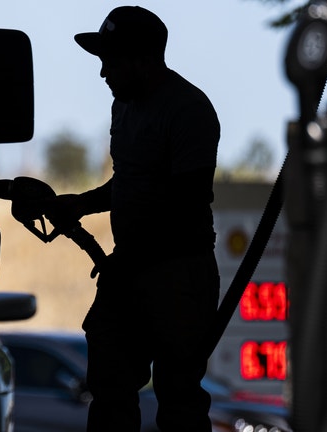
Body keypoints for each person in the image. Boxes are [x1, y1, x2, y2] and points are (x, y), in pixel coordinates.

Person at [43, 6, 221, 431]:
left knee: (178, 397)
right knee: (109, 386)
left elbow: (185, 202)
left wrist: (128, 260)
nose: (103, 73)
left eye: (112, 62)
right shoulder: (124, 107)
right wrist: (79, 204)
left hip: (178, 277)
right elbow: (130, 184)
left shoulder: (189, 111)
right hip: (131, 271)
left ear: (144, 60)